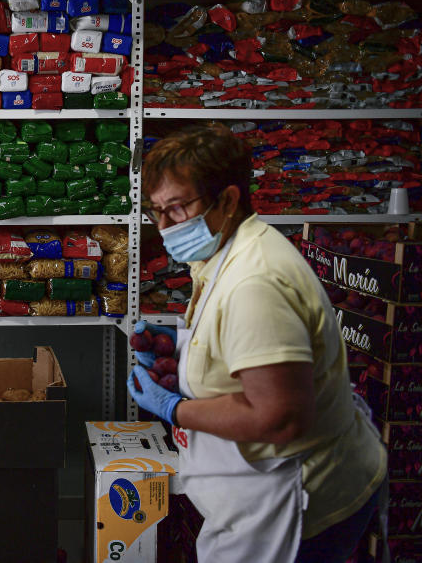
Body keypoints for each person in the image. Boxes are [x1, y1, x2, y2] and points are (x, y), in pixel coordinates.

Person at [127, 129, 387, 563]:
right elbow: (241, 342)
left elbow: (280, 418)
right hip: (263, 489)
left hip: (298, 502)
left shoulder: (255, 282)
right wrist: (185, 347)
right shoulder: (227, 250)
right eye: (157, 212)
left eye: (178, 208)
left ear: (228, 201)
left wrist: (172, 407)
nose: (165, 227)